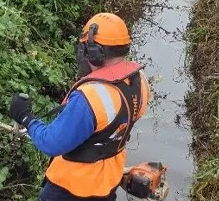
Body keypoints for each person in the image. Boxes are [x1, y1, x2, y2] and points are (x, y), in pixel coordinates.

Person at [9, 13, 150, 201]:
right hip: (107, 185)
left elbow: (52, 142)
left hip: (70, 189)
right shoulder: (139, 81)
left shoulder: (91, 97)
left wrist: (25, 116)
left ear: (94, 52)